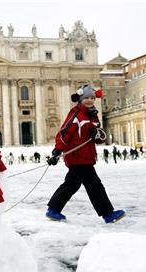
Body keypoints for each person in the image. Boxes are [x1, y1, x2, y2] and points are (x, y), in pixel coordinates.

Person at [45, 84, 125, 224]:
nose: (89, 100)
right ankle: (108, 214)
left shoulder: (93, 116)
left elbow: (101, 138)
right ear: (80, 99)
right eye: (87, 98)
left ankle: (53, 210)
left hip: (87, 156)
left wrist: (97, 135)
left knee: (71, 185)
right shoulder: (76, 114)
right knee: (94, 185)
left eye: (92, 98)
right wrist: (57, 150)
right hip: (77, 157)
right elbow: (65, 133)